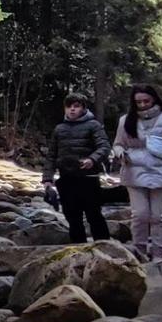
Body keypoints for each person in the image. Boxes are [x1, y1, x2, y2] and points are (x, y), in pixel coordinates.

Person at [114, 84, 162, 261]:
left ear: (154, 99)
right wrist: (119, 153)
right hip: (134, 171)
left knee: (158, 216)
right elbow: (118, 143)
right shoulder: (126, 121)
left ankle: (158, 253)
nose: (142, 105)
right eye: (138, 102)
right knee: (139, 215)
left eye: (146, 101)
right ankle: (139, 252)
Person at [41, 92, 111, 242]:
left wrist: (92, 159)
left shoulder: (93, 125)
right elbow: (51, 156)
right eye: (69, 106)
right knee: (73, 218)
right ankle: (78, 250)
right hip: (66, 179)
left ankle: (105, 247)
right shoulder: (59, 129)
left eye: (76, 106)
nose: (72, 109)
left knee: (94, 216)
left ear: (84, 108)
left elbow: (104, 147)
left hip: (88, 179)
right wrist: (47, 179)